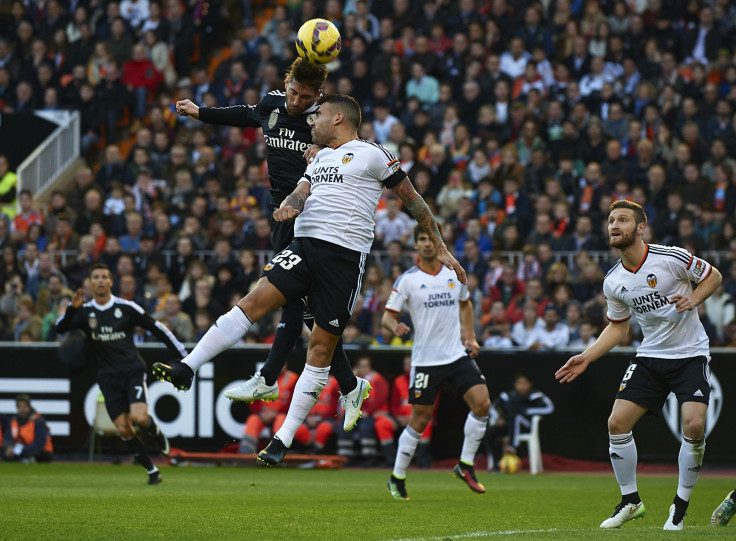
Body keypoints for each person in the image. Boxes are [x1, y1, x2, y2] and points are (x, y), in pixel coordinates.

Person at [153, 94, 465, 466]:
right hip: (303, 247)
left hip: (343, 260)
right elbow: (302, 191)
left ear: (337, 118)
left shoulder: (372, 154)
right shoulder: (317, 158)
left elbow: (413, 200)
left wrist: (442, 246)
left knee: (320, 350)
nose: (310, 122)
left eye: (316, 116)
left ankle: (283, 438)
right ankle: (187, 366)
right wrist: (292, 204)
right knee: (253, 301)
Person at [174, 57, 363, 413]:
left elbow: (352, 148)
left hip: (314, 217)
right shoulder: (271, 105)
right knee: (307, 314)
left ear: (318, 96)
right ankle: (349, 385)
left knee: (290, 300)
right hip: (281, 216)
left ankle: (269, 378)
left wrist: (325, 150)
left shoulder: (322, 120)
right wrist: (201, 112)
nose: (297, 102)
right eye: (294, 92)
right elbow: (244, 114)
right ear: (287, 84)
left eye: (307, 97)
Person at [555, 200, 722, 531]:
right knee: (616, 423)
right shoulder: (614, 280)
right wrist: (587, 356)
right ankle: (631, 501)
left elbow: (713, 276)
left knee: (693, 427)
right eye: (611, 220)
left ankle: (679, 506)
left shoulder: (671, 257)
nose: (614, 225)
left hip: (690, 354)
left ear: (641, 227)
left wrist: (694, 298)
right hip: (650, 356)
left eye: (623, 220)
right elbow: (619, 327)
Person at [56, 263, 187, 485]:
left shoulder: (126, 308)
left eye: (103, 277)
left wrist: (183, 355)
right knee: (123, 428)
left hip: (132, 372)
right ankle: (152, 471)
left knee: (139, 418)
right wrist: (72, 309)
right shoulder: (84, 311)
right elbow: (60, 329)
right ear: (90, 282)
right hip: (107, 377)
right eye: (95, 277)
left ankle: (152, 428)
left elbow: (158, 328)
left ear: (110, 282)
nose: (99, 281)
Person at [382, 224, 486, 500]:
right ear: (416, 244)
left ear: (440, 242)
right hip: (426, 361)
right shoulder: (408, 280)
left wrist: (471, 337)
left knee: (482, 404)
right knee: (420, 420)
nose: (427, 244)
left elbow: (466, 303)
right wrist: (395, 327)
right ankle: (397, 477)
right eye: (422, 239)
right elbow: (387, 316)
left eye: (431, 238)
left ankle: (465, 465)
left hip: (455, 355)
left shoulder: (454, 272)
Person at [485, 372, 554, 472]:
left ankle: (512, 447)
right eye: (519, 383)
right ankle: (497, 463)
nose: (521, 386)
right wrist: (498, 417)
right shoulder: (508, 396)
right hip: (508, 425)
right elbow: (493, 407)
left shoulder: (534, 395)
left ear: (529, 384)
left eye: (524, 383)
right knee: (490, 433)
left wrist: (526, 411)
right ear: (515, 384)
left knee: (515, 415)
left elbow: (549, 408)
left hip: (525, 426)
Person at [1, 394, 53, 462]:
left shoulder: (38, 421)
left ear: (29, 407)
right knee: (4, 452)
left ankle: (23, 459)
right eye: (20, 407)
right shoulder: (13, 421)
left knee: (39, 453)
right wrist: (9, 447)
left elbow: (39, 443)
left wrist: (21, 450)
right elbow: (8, 437)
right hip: (18, 450)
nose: (22, 410)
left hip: (36, 450)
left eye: (25, 407)